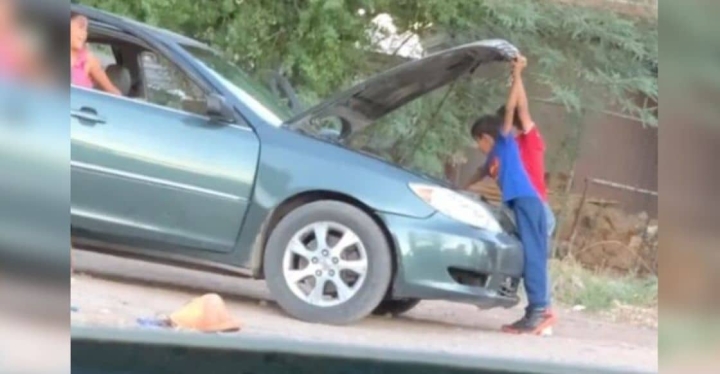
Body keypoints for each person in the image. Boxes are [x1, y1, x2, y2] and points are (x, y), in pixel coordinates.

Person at [469, 55, 555, 335]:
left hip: (531, 202)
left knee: (533, 256)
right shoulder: (497, 154)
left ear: (485, 137)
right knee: (528, 255)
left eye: (477, 142)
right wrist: (459, 189)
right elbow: (481, 172)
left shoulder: (509, 141)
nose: (478, 148)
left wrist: (517, 73)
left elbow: (514, 109)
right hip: (519, 204)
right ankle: (536, 310)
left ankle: (539, 311)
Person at [70, 12, 120, 94]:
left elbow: (113, 92)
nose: (83, 34)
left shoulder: (88, 60)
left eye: (85, 30)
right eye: (80, 27)